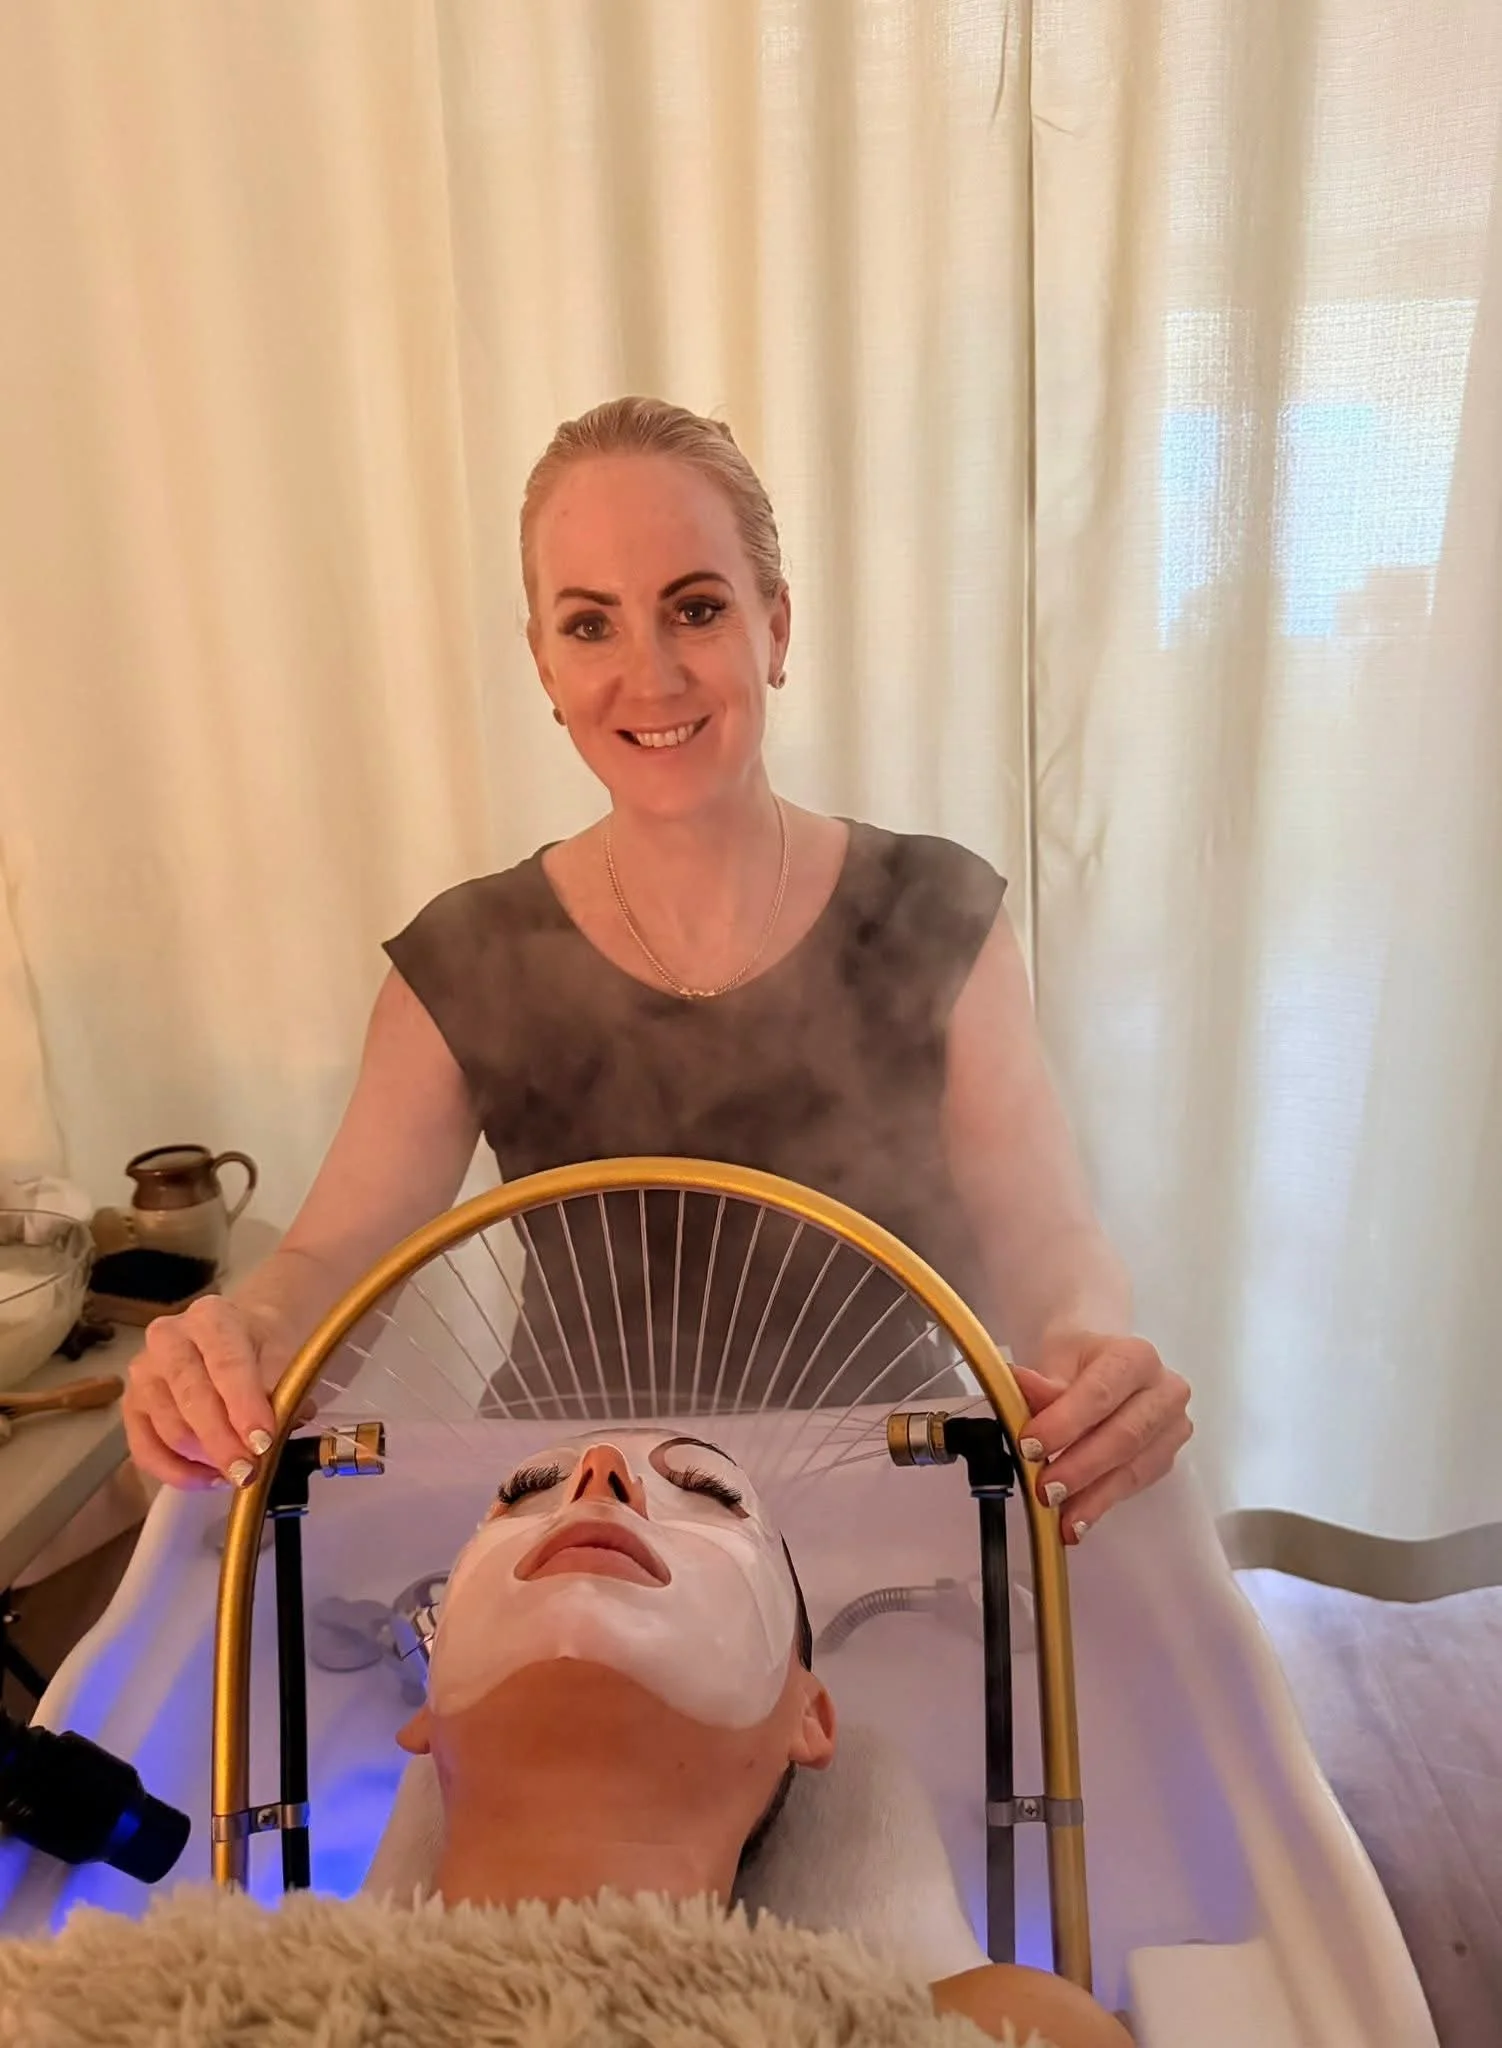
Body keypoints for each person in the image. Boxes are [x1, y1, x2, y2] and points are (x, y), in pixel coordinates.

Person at [123, 396, 1191, 1543]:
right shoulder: (471, 955)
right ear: (543, 665)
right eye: (590, 624)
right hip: (569, 1520)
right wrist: (240, 1343)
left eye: (695, 608)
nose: (650, 672)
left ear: (774, 627)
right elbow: (332, 1258)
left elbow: (1042, 1238)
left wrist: (1087, 1348)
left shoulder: (932, 913)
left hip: (885, 1497)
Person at [395, 1425, 1129, 2048]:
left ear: (807, 1717)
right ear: (427, 1703)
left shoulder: (1009, 2033)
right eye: (525, 1494)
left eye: (710, 1496)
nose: (599, 1475)